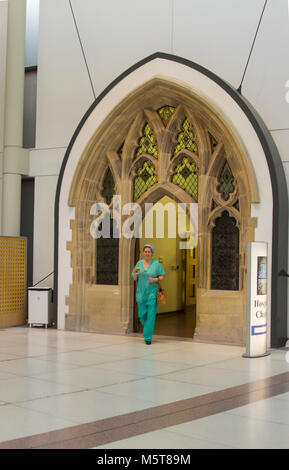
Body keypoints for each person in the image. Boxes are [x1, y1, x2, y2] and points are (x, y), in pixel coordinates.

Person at [132, 244, 165, 344]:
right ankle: (147, 328)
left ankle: (147, 338)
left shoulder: (156, 265)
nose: (147, 253)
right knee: (141, 315)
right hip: (141, 294)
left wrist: (155, 279)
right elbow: (134, 276)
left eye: (149, 252)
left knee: (150, 316)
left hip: (152, 293)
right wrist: (134, 274)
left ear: (152, 253)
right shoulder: (139, 264)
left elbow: (162, 275)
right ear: (143, 253)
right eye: (145, 251)